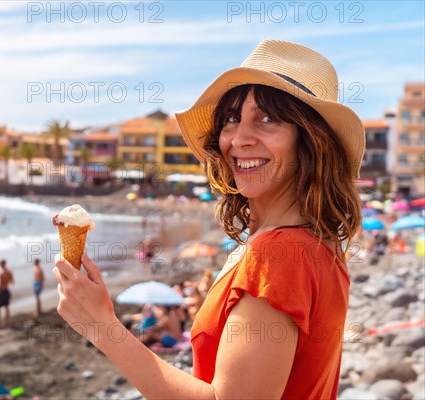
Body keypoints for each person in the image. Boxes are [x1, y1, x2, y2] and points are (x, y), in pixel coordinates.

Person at [52, 39, 362, 398]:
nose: (239, 138)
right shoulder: (313, 247)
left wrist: (103, 328)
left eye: (267, 119)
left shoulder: (279, 256)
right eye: (231, 119)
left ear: (310, 141)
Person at [0, 259, 14, 330]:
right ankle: (7, 324)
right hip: (7, 291)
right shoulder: (9, 272)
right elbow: (12, 282)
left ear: (1, 265)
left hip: (2, 292)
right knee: (7, 307)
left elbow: (0, 285)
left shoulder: (1, 273)